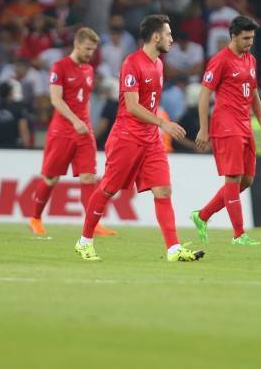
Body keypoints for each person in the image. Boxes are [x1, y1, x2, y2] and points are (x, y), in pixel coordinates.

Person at [74, 14, 204, 262]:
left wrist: (157, 126)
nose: (172, 39)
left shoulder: (159, 64)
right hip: (127, 136)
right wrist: (163, 123)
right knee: (108, 189)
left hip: (150, 139)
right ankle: (84, 241)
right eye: (168, 34)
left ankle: (173, 249)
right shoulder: (132, 63)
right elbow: (132, 106)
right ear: (155, 37)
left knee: (163, 190)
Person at [190, 16, 261, 245]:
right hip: (226, 124)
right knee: (233, 178)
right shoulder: (220, 60)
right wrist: (203, 128)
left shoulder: (250, 60)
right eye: (245, 38)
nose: (250, 42)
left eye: (252, 38)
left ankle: (202, 215)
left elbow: (253, 94)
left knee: (247, 180)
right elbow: (204, 94)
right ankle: (239, 234)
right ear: (233, 36)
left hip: (245, 124)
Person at [29, 28, 116, 236]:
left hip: (83, 132)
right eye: (87, 49)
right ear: (76, 45)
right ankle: (35, 218)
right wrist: (75, 121)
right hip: (62, 131)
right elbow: (55, 100)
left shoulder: (89, 70)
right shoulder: (59, 67)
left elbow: (84, 100)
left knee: (88, 177)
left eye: (93, 49)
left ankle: (93, 225)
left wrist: (85, 123)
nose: (90, 53)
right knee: (51, 178)